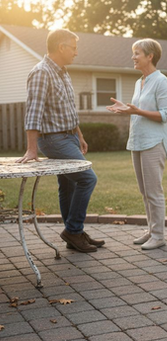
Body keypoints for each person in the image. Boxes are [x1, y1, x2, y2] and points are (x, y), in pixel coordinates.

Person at [16, 29, 103, 253]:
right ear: (61, 47)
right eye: (73, 48)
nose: (76, 52)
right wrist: (32, 149)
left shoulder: (63, 72)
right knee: (87, 179)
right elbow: (34, 112)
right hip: (54, 139)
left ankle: (73, 233)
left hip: (69, 136)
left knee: (69, 185)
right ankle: (73, 230)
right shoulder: (41, 72)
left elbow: (69, 110)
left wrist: (80, 136)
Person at [107, 38, 167, 250]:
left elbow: (165, 115)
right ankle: (152, 230)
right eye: (133, 53)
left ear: (150, 56)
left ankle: (159, 235)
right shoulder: (140, 82)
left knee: (154, 191)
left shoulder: (161, 81)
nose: (133, 57)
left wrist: (135, 110)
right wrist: (126, 108)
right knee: (145, 191)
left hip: (154, 143)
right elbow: (138, 110)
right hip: (138, 141)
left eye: (137, 53)